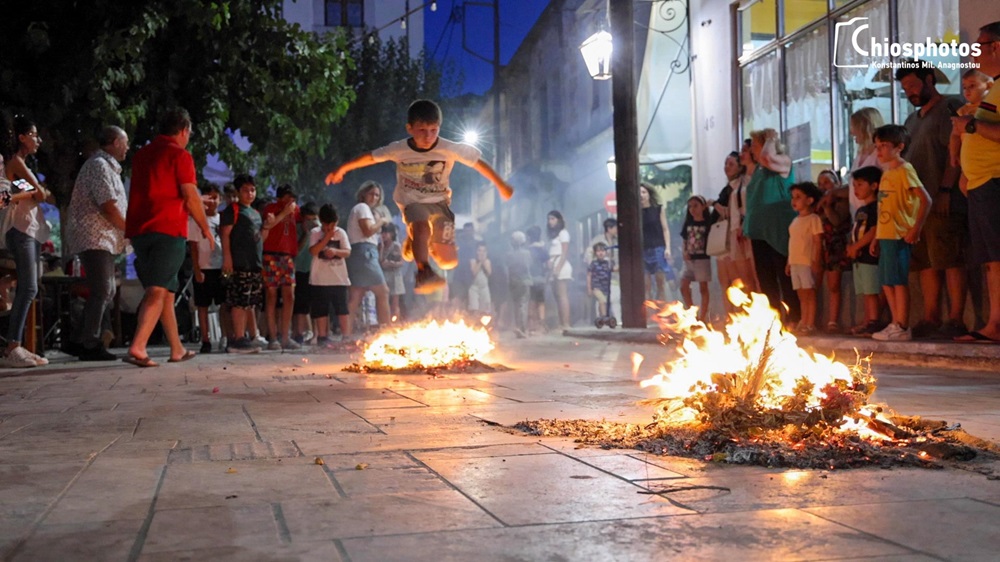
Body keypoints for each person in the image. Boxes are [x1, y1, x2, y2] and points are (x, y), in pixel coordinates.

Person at [325, 99, 513, 294]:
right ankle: (423, 270)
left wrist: (501, 185)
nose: (428, 136)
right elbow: (370, 157)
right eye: (422, 130)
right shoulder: (399, 149)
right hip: (412, 202)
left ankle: (414, 242)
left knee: (448, 261)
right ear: (410, 128)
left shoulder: (449, 148)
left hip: (440, 203)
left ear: (439, 127)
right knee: (421, 225)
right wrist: (342, 169)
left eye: (433, 130)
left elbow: (477, 162)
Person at [122, 108, 213, 367]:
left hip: (140, 230)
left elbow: (159, 189)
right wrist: (205, 228)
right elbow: (189, 195)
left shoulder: (142, 155)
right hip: (167, 228)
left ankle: (177, 348)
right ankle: (139, 346)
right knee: (158, 289)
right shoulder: (180, 155)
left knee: (166, 290)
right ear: (183, 131)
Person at [897, 64, 967, 340]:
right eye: (905, 88)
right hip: (918, 204)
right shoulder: (911, 120)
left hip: (941, 196)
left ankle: (956, 317)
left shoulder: (950, 106)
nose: (909, 92)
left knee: (949, 257)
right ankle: (930, 316)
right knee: (924, 260)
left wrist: (946, 190)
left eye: (913, 85)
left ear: (929, 80)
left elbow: (954, 152)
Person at [952, 20, 1000, 343]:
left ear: (996, 47)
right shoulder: (994, 89)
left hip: (995, 181)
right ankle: (994, 322)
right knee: (991, 259)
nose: (973, 53)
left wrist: (970, 125)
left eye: (978, 46)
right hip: (982, 183)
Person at [65, 125, 129, 361]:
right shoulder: (99, 165)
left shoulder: (108, 167)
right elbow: (108, 206)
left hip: (103, 237)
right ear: (115, 142)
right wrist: (129, 228)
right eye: (125, 142)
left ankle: (78, 340)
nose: (128, 148)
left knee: (105, 289)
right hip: (94, 236)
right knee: (103, 288)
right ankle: (90, 343)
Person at [870, 125, 932, 341]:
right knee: (887, 281)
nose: (879, 150)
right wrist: (877, 237)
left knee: (898, 280)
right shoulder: (887, 172)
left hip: (899, 234)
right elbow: (883, 207)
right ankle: (895, 322)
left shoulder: (905, 170)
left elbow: (925, 200)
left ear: (899, 147)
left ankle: (902, 325)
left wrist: (915, 228)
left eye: (884, 145)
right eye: (877, 146)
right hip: (886, 234)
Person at [1, 116, 51, 368]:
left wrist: (33, 192)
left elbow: (34, 192)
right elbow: (37, 193)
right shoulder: (15, 161)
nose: (38, 140)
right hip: (19, 230)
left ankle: (16, 344)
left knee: (30, 285)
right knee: (29, 287)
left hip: (28, 230)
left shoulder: (17, 165)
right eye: (33, 135)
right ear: (21, 137)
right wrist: (33, 192)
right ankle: (13, 346)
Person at [743, 128, 799, 324]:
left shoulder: (783, 162)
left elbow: (767, 157)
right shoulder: (758, 170)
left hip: (778, 228)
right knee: (766, 279)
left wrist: (770, 138)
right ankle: (773, 321)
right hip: (759, 231)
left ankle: (793, 318)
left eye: (755, 144)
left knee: (784, 276)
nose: (752, 149)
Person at [220, 175, 271, 353]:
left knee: (249, 302)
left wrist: (267, 226)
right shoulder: (233, 210)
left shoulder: (255, 213)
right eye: (245, 190)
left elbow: (260, 238)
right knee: (239, 301)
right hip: (239, 262)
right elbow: (225, 234)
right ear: (238, 192)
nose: (250, 193)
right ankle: (237, 339)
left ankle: (244, 337)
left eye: (252, 190)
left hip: (254, 263)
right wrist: (227, 258)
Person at [344, 181, 392, 333]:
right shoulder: (362, 208)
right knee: (383, 291)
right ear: (363, 193)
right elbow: (368, 231)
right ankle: (386, 331)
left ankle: (346, 334)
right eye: (371, 194)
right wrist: (381, 221)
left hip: (360, 253)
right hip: (364, 254)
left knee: (355, 296)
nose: (374, 198)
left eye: (377, 195)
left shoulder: (362, 210)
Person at [187, 183, 227, 354]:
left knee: (224, 304)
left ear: (220, 199)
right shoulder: (196, 219)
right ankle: (206, 339)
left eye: (215, 198)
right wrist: (197, 269)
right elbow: (193, 246)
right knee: (202, 306)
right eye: (208, 197)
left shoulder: (223, 220)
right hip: (204, 267)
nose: (212, 201)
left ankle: (225, 337)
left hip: (221, 266)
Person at [261, 184, 301, 350]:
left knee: (289, 295)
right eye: (286, 197)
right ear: (279, 198)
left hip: (287, 256)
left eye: (292, 197)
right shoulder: (271, 208)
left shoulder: (296, 210)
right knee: (271, 295)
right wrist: (284, 212)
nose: (290, 200)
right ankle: (273, 337)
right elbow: (268, 225)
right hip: (271, 254)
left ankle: (285, 336)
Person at [847, 166, 884, 336]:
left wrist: (857, 246)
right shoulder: (861, 210)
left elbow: (874, 231)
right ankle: (867, 321)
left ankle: (874, 322)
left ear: (874, 186)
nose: (856, 189)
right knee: (865, 292)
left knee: (871, 291)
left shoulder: (875, 208)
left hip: (869, 256)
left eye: (860, 185)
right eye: (854, 185)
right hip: (859, 258)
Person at [309, 204, 351, 345]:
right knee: (321, 310)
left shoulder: (341, 233)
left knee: (342, 309)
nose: (331, 228)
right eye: (327, 225)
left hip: (339, 279)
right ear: (322, 222)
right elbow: (313, 251)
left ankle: (346, 337)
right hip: (319, 279)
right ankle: (322, 337)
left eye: (333, 225)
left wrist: (335, 252)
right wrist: (327, 237)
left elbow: (347, 252)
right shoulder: (315, 232)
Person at [785, 182, 824, 333]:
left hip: (806, 262)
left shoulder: (813, 219)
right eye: (793, 197)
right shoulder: (794, 221)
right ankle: (804, 320)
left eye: (798, 197)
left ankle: (810, 323)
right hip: (795, 262)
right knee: (801, 294)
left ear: (809, 200)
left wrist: (816, 260)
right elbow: (792, 242)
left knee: (809, 293)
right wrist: (789, 262)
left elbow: (817, 241)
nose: (794, 200)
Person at [816, 170, 852, 332]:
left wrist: (827, 207)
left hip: (835, 245)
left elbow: (836, 221)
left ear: (837, 183)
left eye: (827, 182)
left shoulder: (842, 202)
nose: (823, 186)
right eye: (820, 183)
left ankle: (833, 320)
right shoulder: (816, 202)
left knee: (834, 284)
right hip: (820, 244)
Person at [678, 195, 715, 321]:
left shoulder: (708, 223)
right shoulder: (688, 222)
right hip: (689, 259)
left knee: (703, 287)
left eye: (695, 206)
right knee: (683, 285)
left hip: (703, 258)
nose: (692, 209)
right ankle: (692, 313)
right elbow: (685, 239)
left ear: (703, 207)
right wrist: (684, 252)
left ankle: (702, 316)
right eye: (690, 206)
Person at [640, 183, 676, 301]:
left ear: (649, 194)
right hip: (642, 250)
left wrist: (668, 248)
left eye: (644, 192)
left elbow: (665, 229)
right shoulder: (635, 213)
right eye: (639, 193)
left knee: (660, 283)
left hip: (658, 248)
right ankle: (647, 309)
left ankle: (661, 308)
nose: (641, 195)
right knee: (646, 286)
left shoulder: (658, 209)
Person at [847, 108, 885, 214]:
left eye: (854, 127)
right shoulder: (860, 154)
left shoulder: (880, 155)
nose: (851, 132)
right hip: (858, 214)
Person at [292, 202, 319, 344]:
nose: (311, 222)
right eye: (308, 219)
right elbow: (296, 250)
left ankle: (316, 335)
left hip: (316, 269)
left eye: (314, 219)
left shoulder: (321, 230)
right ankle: (299, 333)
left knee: (316, 303)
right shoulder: (298, 229)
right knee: (300, 303)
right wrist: (306, 233)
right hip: (300, 268)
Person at [584, 218, 620, 321]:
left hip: (614, 276)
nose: (617, 229)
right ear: (609, 228)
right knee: (601, 301)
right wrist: (596, 265)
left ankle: (617, 320)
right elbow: (588, 255)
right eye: (615, 227)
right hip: (599, 278)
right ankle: (601, 320)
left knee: (615, 299)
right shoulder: (597, 240)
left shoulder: (618, 240)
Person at [546, 210, 572, 329]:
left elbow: (564, 253)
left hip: (561, 265)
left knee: (562, 295)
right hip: (553, 265)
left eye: (553, 219)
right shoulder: (553, 235)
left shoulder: (563, 233)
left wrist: (558, 268)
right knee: (556, 296)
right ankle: (561, 323)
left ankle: (566, 323)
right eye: (549, 219)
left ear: (559, 220)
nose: (550, 221)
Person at [506, 231, 532, 338]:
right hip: (524, 281)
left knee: (516, 305)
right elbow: (529, 265)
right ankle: (522, 329)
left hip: (513, 282)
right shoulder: (527, 253)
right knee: (523, 305)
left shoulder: (509, 255)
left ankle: (518, 326)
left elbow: (508, 267)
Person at [380, 222, 405, 321]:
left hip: (395, 276)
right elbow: (380, 261)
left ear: (392, 234)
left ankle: (395, 321)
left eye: (386, 233)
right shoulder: (380, 246)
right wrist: (381, 248)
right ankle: (386, 321)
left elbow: (401, 262)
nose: (384, 235)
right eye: (382, 233)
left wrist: (391, 263)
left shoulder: (396, 246)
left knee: (395, 302)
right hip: (384, 276)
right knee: (385, 300)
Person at [526, 225, 548, 334]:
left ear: (530, 237)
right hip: (541, 279)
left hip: (530, 279)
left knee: (531, 301)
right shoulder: (543, 250)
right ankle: (541, 325)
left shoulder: (528, 250)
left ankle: (531, 326)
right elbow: (548, 264)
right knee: (541, 302)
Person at [587, 242, 614, 321]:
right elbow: (589, 275)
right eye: (598, 251)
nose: (601, 253)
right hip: (596, 287)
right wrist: (589, 288)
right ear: (595, 253)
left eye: (602, 251)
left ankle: (602, 317)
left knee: (604, 302)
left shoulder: (608, 263)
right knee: (602, 301)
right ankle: (604, 317)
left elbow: (614, 269)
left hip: (606, 287)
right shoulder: (593, 263)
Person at [468, 242, 492, 315]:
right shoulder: (473, 261)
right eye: (479, 250)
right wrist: (480, 262)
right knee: (474, 310)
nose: (482, 253)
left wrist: (484, 262)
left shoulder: (487, 261)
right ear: (476, 251)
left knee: (485, 311)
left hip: (484, 288)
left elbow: (489, 273)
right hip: (474, 288)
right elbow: (474, 273)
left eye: (484, 251)